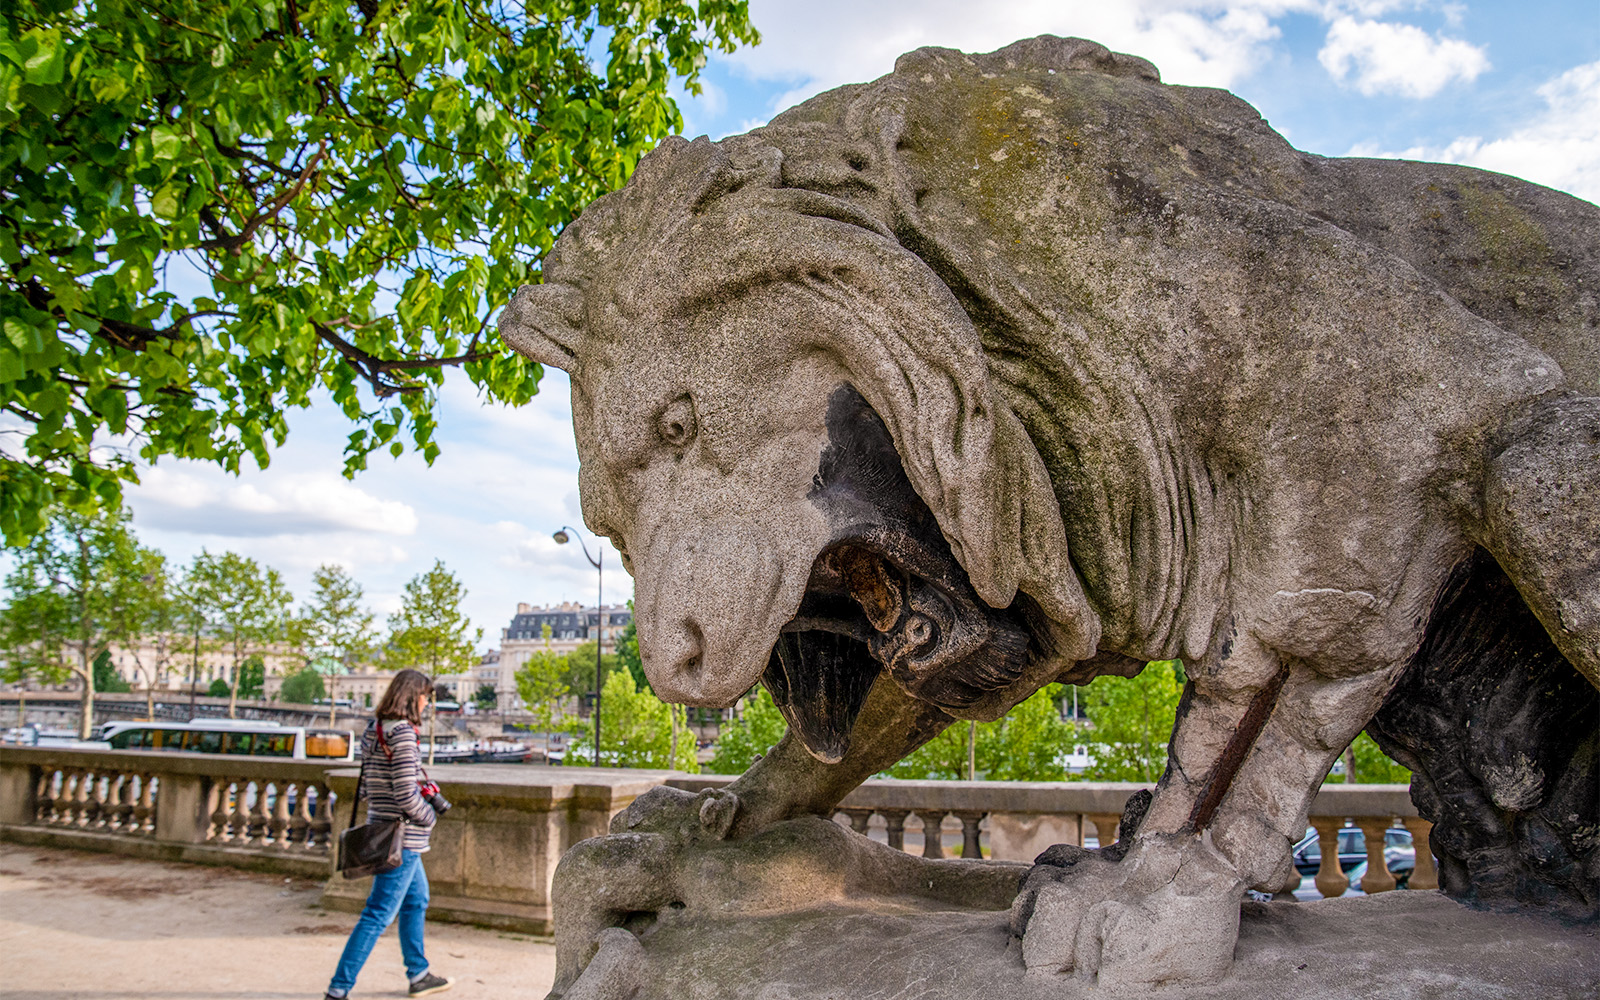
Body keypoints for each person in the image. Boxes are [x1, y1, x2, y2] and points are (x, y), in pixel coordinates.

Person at [325, 668, 452, 999]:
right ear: (413, 696)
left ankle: (419, 973)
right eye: (425, 696)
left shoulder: (375, 729)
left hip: (381, 827)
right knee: (377, 914)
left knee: (416, 900)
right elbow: (406, 794)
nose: (427, 703)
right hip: (403, 838)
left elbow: (368, 787)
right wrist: (428, 817)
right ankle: (338, 988)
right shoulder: (405, 734)